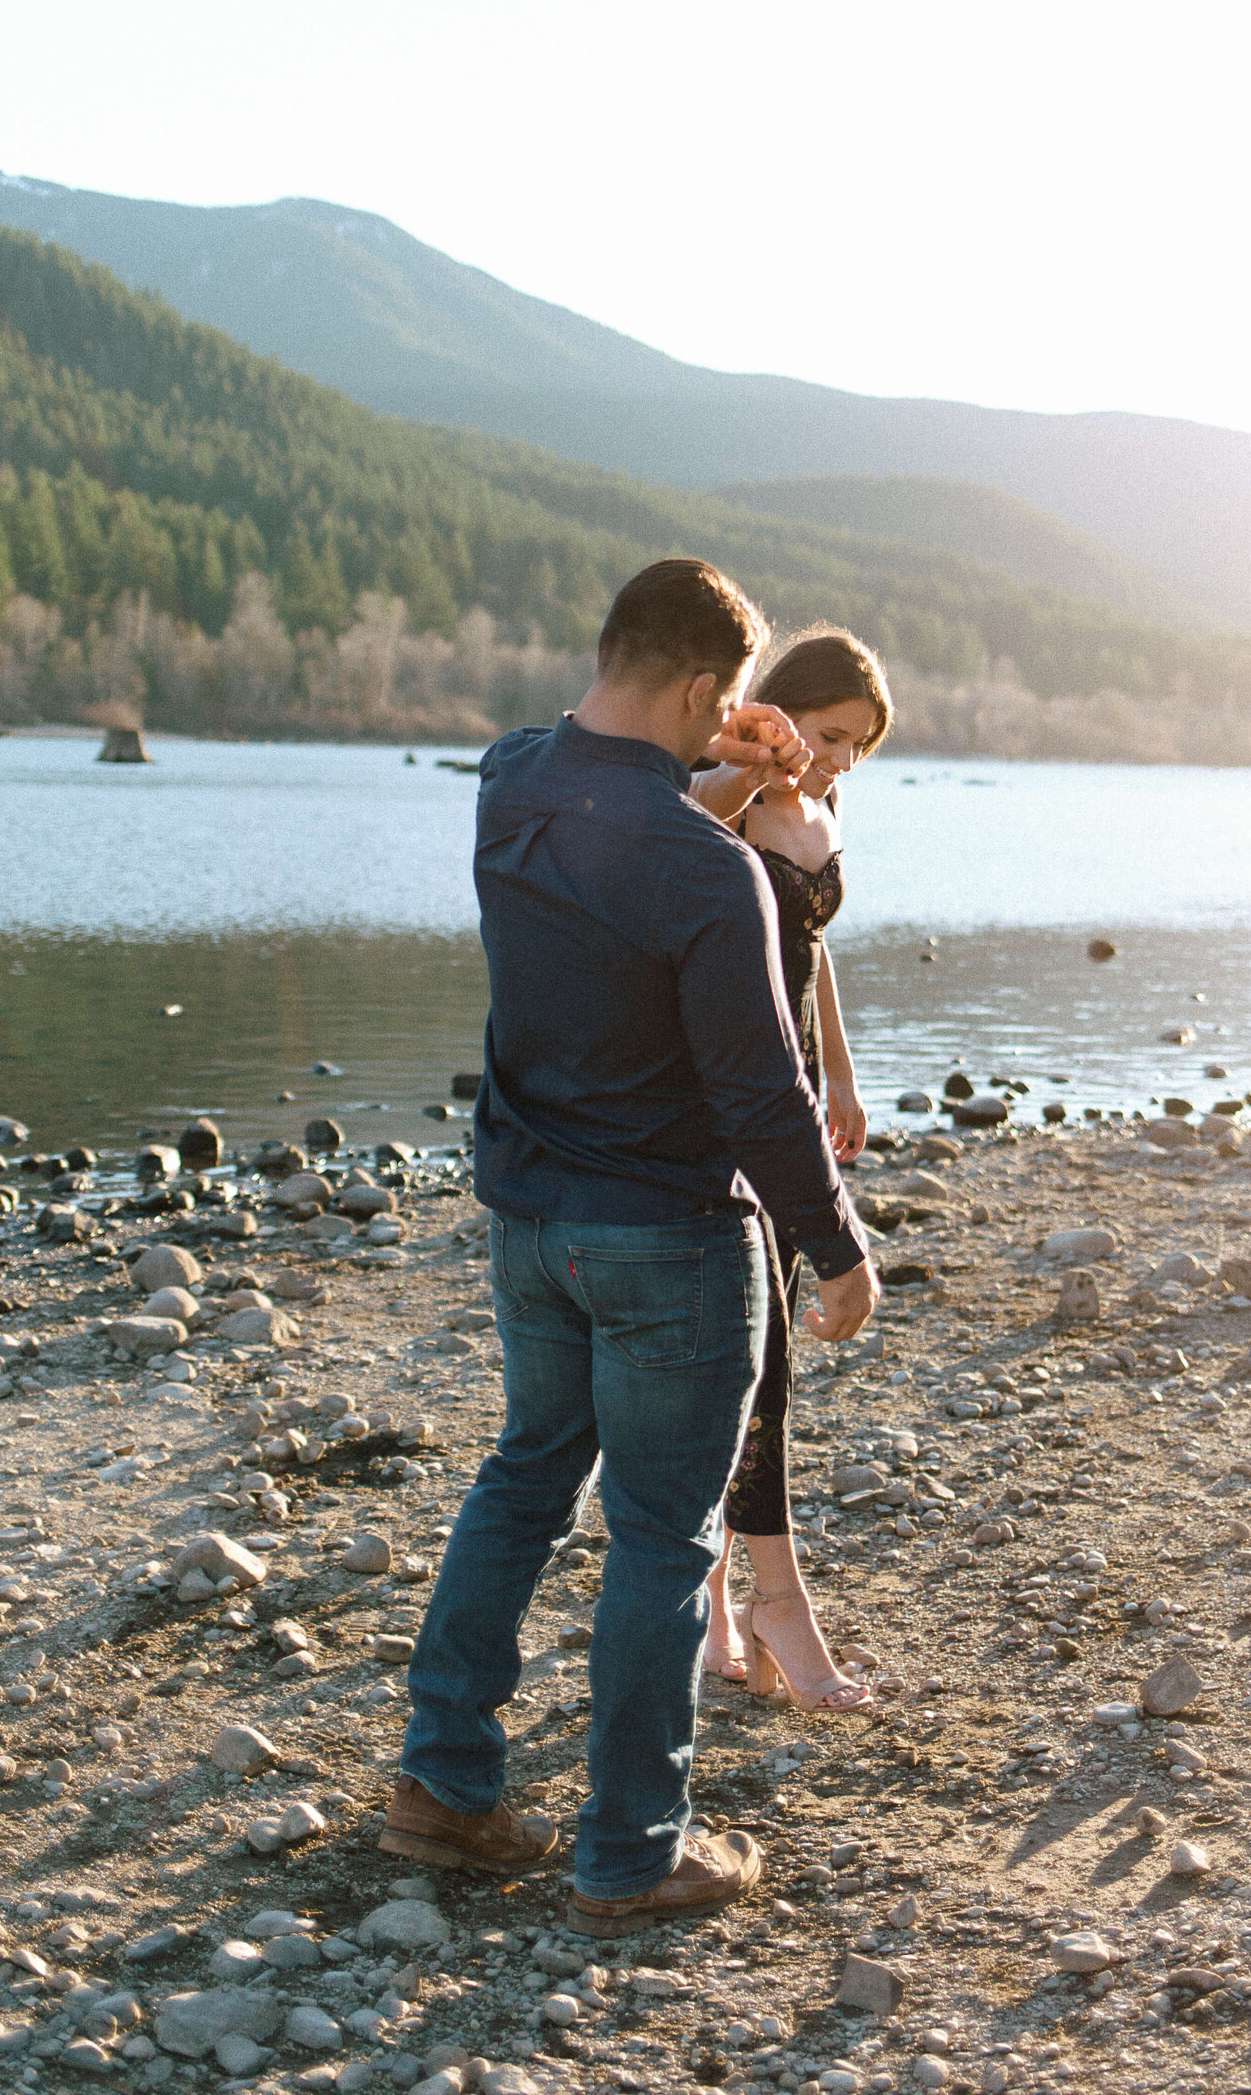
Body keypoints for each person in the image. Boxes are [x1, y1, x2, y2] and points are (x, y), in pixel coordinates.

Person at [380, 558, 880, 1937]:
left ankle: (443, 1781)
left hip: (530, 1222)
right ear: (715, 694)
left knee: (525, 1474)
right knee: (664, 1538)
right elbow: (760, 1092)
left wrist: (713, 760)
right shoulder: (708, 873)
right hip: (667, 1237)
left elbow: (616, 809)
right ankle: (630, 1852)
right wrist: (836, 1249)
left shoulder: (507, 779)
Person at [689, 627, 894, 1712]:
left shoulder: (824, 808)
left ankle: (727, 1607)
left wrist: (845, 1083)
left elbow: (812, 954)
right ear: (783, 708)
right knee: (752, 1348)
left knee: (757, 1351)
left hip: (798, 1087)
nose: (839, 763)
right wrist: (746, 768)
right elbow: (666, 850)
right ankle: (767, 1604)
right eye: (830, 736)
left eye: (859, 748)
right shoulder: (727, 791)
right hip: (730, 1091)